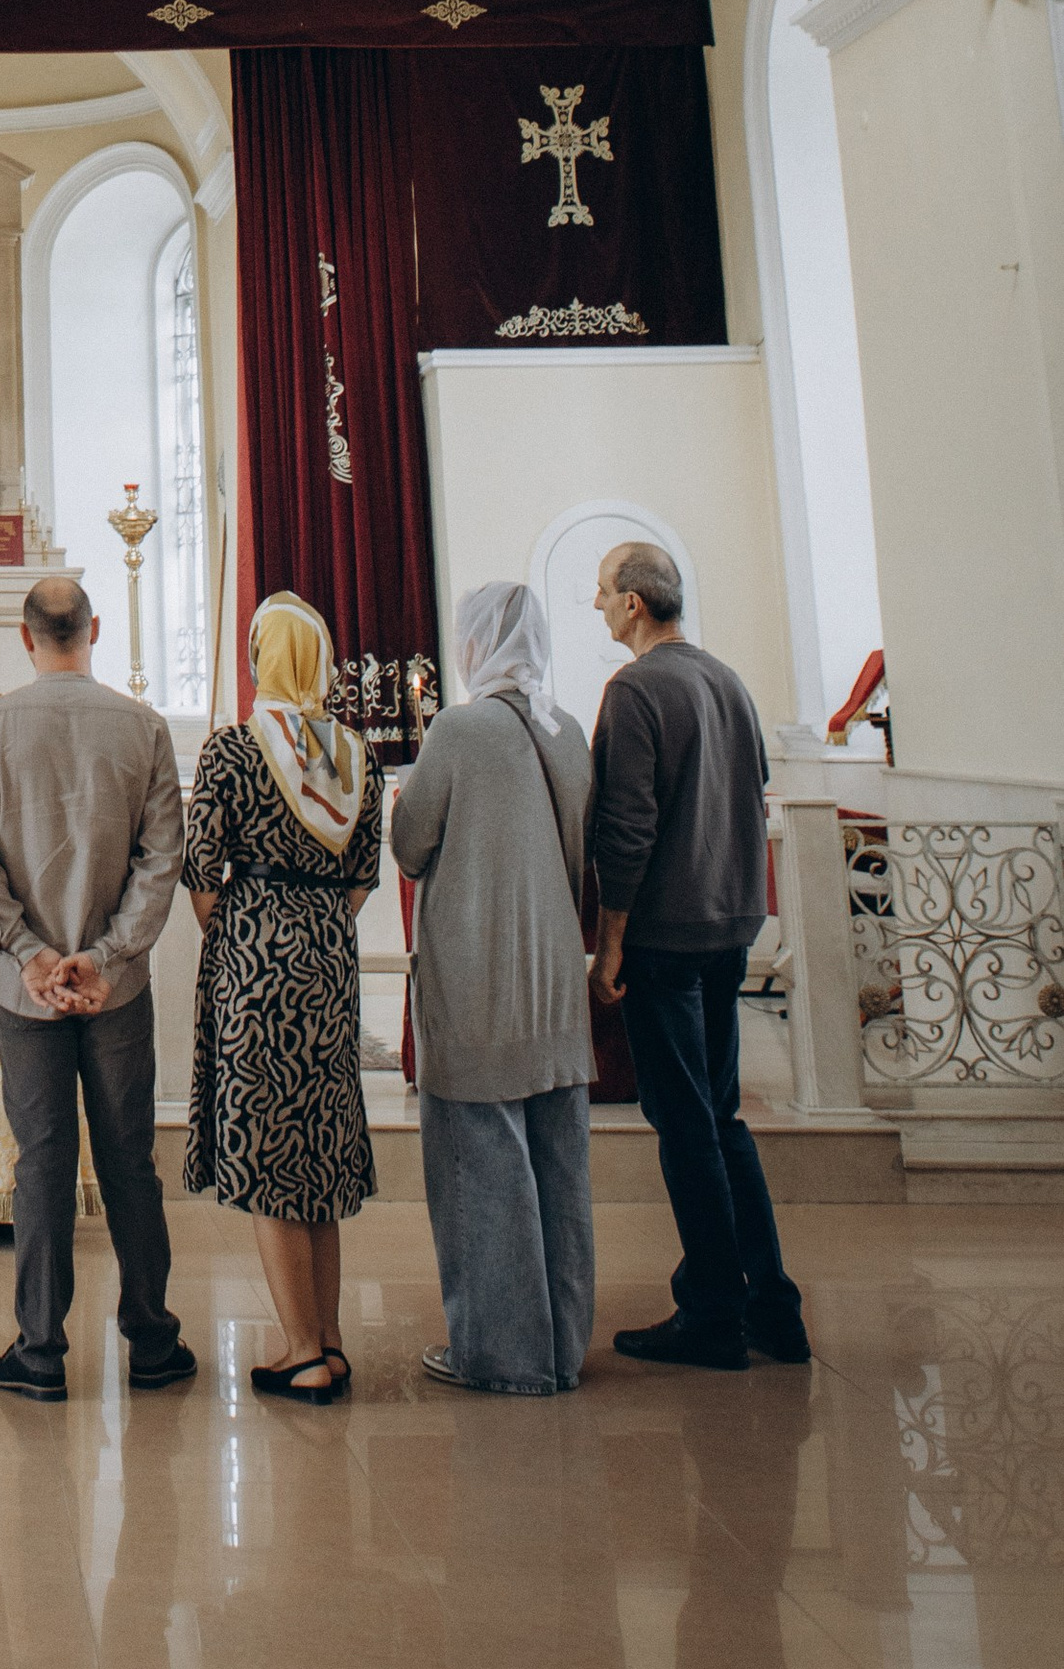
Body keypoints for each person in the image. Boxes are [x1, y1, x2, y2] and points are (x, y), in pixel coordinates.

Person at [0, 574, 193, 1403]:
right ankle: (153, 1340)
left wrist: (28, 951)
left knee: (43, 1160)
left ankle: (42, 1349)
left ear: (23, 638)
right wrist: (110, 954)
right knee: (130, 1157)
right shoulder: (144, 726)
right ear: (93, 629)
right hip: (114, 988)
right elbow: (164, 860)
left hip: (27, 989)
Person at [589, 540, 808, 1371]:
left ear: (635, 603)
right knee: (722, 1117)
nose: (601, 606)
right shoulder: (725, 679)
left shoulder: (637, 689)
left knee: (683, 1124)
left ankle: (715, 1309)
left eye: (605, 594)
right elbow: (749, 789)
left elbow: (628, 828)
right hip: (730, 922)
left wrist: (609, 942)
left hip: (667, 933)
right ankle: (773, 1306)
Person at [392, 583, 596, 1396]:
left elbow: (410, 845)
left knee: (482, 1165)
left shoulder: (460, 727)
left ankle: (502, 1355)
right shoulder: (567, 729)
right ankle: (563, 1347)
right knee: (560, 1165)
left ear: (476, 643)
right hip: (555, 971)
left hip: (481, 971)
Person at [182, 590, 382, 1402]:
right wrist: (318, 919)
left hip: (257, 955)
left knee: (269, 1157)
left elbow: (201, 873)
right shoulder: (354, 753)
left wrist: (239, 932)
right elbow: (365, 873)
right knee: (320, 1151)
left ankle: (299, 1347)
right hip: (332, 952)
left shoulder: (232, 751)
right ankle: (326, 1338)